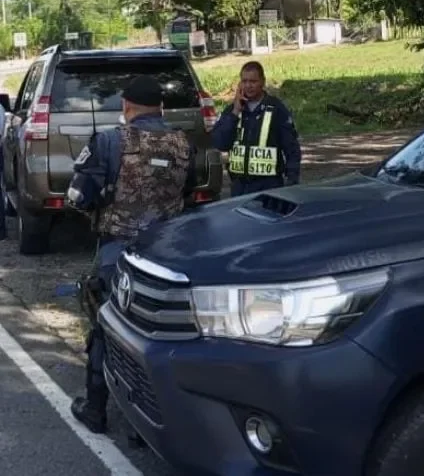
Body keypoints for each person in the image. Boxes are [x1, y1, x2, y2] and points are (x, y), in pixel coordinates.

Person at [66, 75, 197, 434]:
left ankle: (96, 408)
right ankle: (154, 421)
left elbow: (79, 195)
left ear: (126, 106)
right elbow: (189, 191)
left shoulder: (109, 141)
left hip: (119, 251)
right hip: (168, 255)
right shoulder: (183, 143)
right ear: (161, 107)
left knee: (107, 327)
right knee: (156, 336)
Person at [211, 61, 301, 196]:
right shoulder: (232, 110)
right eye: (244, 81)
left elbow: (291, 147)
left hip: (269, 186)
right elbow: (221, 144)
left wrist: (292, 179)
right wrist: (235, 112)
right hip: (239, 186)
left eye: (253, 81)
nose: (248, 86)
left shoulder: (276, 109)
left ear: (262, 82)